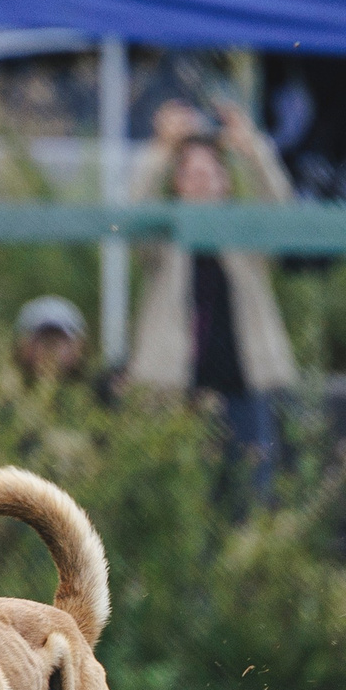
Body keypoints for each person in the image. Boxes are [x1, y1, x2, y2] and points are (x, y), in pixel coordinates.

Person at [128, 99, 298, 498]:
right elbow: (133, 212)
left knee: (251, 500)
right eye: (191, 173)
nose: (201, 181)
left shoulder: (246, 240)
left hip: (244, 391)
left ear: (226, 182)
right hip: (175, 395)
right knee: (179, 503)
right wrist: (161, 150)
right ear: (177, 184)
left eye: (210, 172)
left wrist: (252, 149)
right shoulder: (162, 243)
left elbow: (282, 211)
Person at [13, 296, 87, 384]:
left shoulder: (94, 390)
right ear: (22, 346)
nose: (51, 353)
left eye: (57, 342)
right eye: (44, 341)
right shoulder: (5, 389)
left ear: (79, 347)